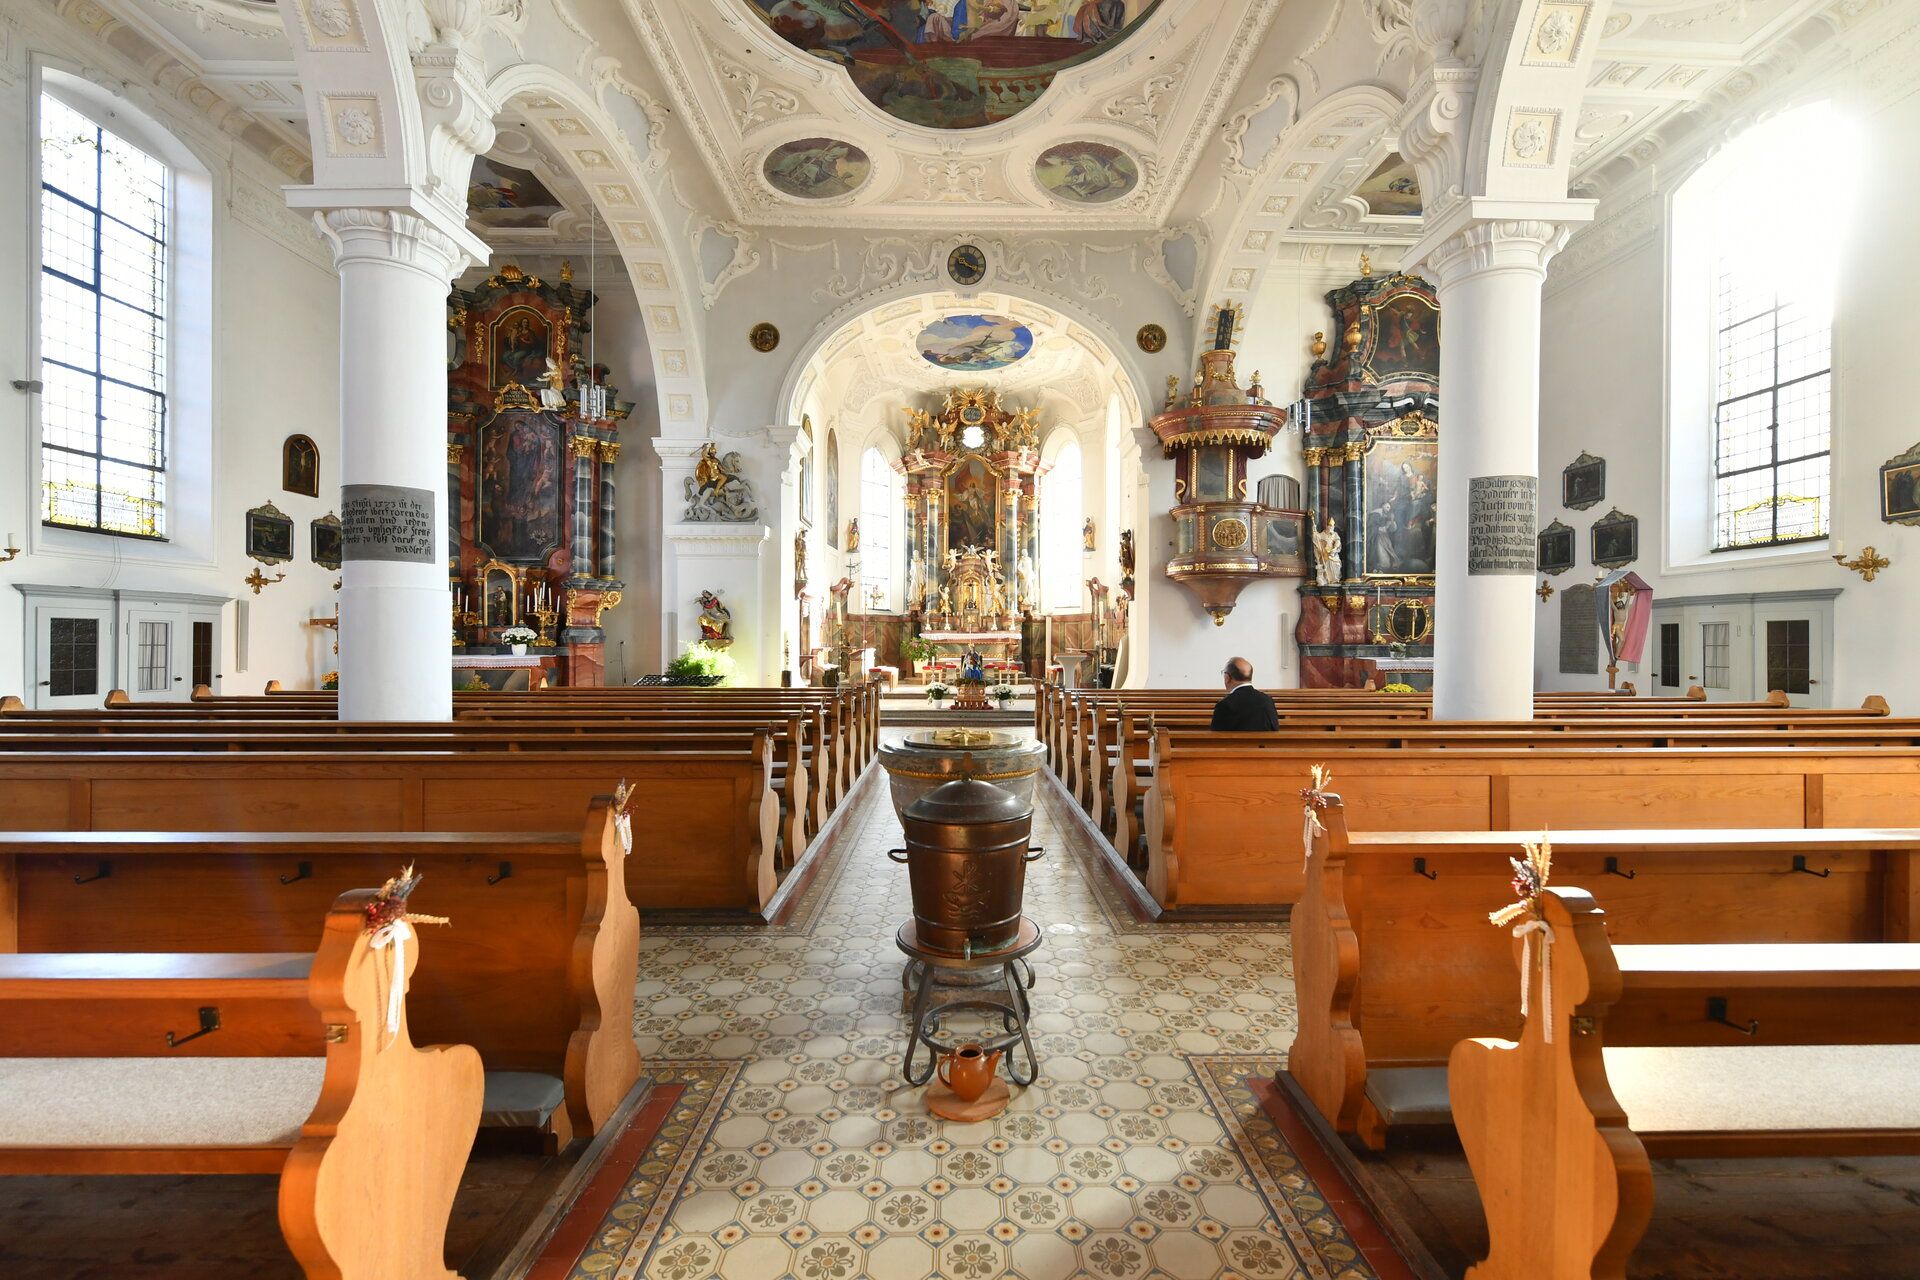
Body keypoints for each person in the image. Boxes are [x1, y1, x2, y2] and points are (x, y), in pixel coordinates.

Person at [1211, 657, 1278, 732]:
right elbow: (1275, 729)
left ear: (1227, 677)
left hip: (1236, 744)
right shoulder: (1267, 700)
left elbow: (1216, 738)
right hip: (1266, 744)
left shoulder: (1224, 704)